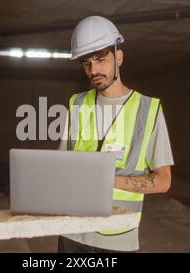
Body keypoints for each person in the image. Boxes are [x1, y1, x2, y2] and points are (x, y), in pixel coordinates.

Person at [57, 16, 174, 253]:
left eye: (101, 59)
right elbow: (61, 165)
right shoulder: (76, 103)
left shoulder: (148, 110)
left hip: (116, 238)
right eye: (86, 62)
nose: (94, 70)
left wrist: (110, 182)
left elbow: (163, 181)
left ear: (118, 57)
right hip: (70, 230)